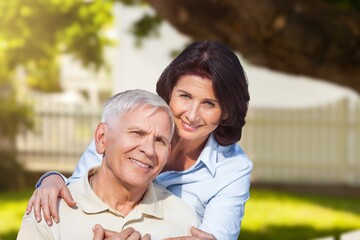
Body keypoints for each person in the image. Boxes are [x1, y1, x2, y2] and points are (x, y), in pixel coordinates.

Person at [26, 41, 253, 240]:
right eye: (185, 96)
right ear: (170, 92)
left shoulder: (232, 168)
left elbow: (214, 237)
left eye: (209, 104)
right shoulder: (128, 123)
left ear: (226, 110)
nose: (192, 115)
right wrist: (52, 179)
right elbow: (81, 193)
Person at [17, 89, 199, 240]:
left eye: (160, 141)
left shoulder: (182, 217)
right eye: (137, 133)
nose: (149, 150)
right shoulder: (49, 210)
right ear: (102, 137)